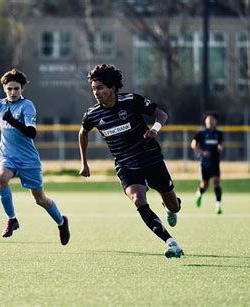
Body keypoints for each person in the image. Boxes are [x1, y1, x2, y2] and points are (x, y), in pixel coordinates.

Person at [78, 64, 183, 258]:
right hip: (125, 165)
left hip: (150, 159)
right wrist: (84, 162)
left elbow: (161, 114)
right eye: (94, 88)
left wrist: (155, 129)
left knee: (173, 205)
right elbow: (83, 133)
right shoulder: (92, 114)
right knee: (138, 200)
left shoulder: (131, 100)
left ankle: (171, 207)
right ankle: (171, 242)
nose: (97, 92)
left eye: (100, 88)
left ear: (112, 87)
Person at [0, 68, 70, 245]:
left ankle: (62, 222)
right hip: (7, 157)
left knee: (40, 199)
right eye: (9, 89)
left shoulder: (27, 106)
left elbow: (31, 133)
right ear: (4, 88)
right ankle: (12, 219)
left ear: (22, 88)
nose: (13, 92)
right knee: (1, 179)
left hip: (28, 160)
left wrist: (13, 121)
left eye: (16, 88)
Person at [190, 111, 224, 214]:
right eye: (208, 119)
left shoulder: (219, 133)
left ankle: (218, 205)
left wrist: (220, 147)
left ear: (215, 121)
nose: (210, 121)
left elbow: (220, 144)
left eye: (212, 119)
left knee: (216, 182)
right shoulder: (201, 133)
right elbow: (193, 144)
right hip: (204, 163)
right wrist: (203, 152)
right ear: (205, 121)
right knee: (204, 185)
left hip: (215, 162)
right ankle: (199, 194)